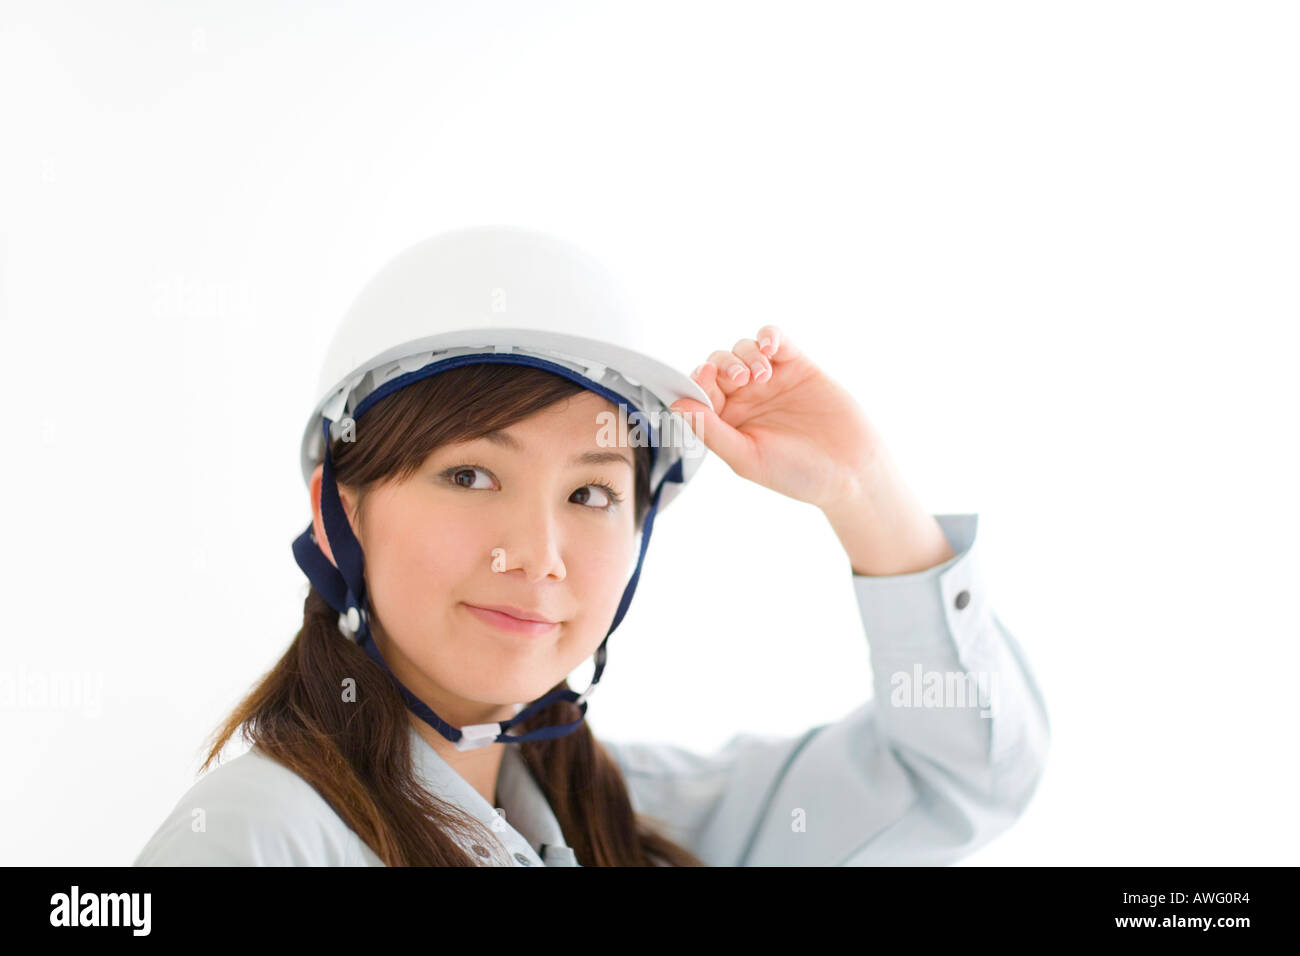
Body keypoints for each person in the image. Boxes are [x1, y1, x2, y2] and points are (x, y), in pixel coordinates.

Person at [133, 225, 1051, 866]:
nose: (536, 556)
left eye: (590, 493)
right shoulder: (253, 841)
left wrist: (869, 495)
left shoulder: (642, 825)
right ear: (339, 508)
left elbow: (961, 776)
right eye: (470, 476)